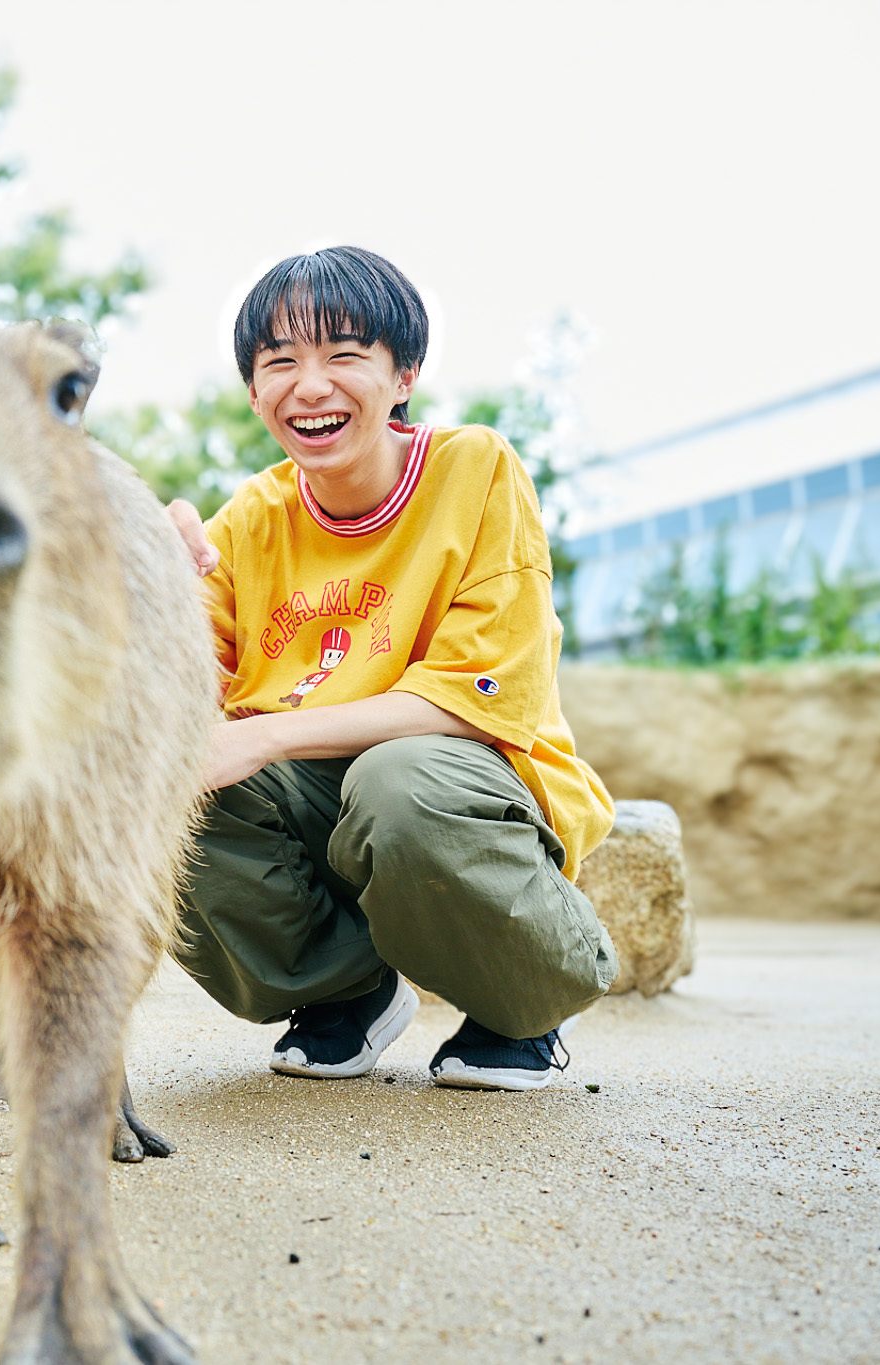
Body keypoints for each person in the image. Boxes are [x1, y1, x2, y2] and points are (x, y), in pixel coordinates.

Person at [173, 246, 619, 1091]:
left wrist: (261, 737)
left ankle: (522, 1000)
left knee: (399, 779)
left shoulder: (476, 470)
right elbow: (173, 701)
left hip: (451, 779)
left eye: (344, 355)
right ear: (254, 390)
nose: (310, 385)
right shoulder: (246, 521)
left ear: (404, 371)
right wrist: (144, 570)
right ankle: (345, 992)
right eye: (281, 362)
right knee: (165, 780)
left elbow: (474, 701)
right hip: (308, 790)